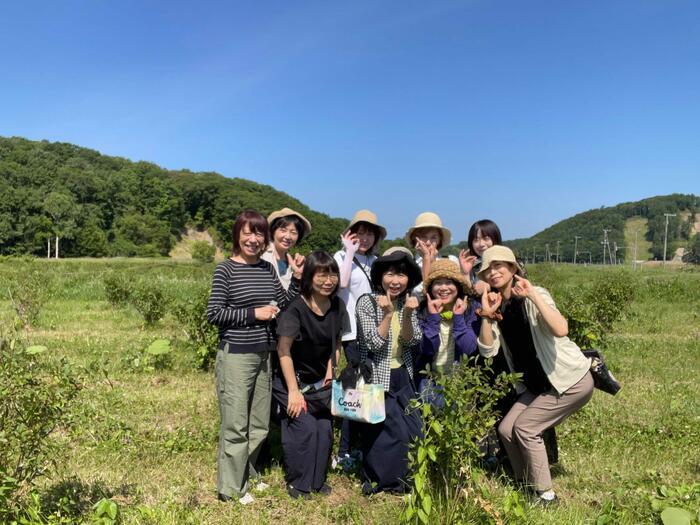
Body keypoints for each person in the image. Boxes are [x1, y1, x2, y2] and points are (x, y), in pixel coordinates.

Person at [476, 246, 593, 504]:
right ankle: (526, 484)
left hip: (568, 380)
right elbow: (487, 350)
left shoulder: (534, 294)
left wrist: (533, 297)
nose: (494, 272)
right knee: (507, 429)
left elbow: (561, 328)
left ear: (513, 268)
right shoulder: (498, 306)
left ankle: (546, 496)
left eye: (499, 265)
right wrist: (486, 314)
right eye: (488, 269)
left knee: (527, 428)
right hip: (538, 384)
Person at [207, 209, 305, 505]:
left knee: (259, 423)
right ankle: (230, 489)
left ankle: (246, 473)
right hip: (236, 355)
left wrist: (298, 280)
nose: (253, 239)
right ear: (237, 235)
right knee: (235, 423)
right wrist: (254, 314)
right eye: (247, 232)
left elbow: (283, 301)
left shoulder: (265, 269)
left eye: (258, 233)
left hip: (265, 354)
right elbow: (214, 313)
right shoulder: (225, 270)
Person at [273, 251, 349, 499]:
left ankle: (316, 480)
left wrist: (330, 372)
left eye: (333, 274)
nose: (329, 280)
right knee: (303, 426)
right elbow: (283, 350)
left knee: (324, 429)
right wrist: (293, 392)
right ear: (309, 277)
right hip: (290, 379)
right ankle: (298, 483)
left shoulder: (337, 306)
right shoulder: (296, 309)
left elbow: (336, 343)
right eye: (322, 274)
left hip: (320, 379)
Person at [355, 246, 423, 494]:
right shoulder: (367, 302)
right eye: (390, 274)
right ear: (380, 276)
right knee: (383, 432)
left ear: (409, 279)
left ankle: (405, 478)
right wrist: (386, 314)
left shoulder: (409, 302)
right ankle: (381, 482)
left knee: (412, 428)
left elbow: (412, 340)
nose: (395, 281)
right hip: (376, 376)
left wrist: (405, 314)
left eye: (402, 275)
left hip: (402, 373)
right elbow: (374, 342)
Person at [333, 209, 386, 466]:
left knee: (371, 387)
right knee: (353, 387)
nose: (364, 238)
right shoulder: (341, 256)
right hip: (352, 332)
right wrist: (350, 252)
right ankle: (344, 451)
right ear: (352, 233)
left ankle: (365, 446)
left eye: (369, 233)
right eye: (360, 232)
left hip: (374, 332)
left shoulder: (376, 261)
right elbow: (341, 285)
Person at [415, 259, 480, 406]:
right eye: (438, 283)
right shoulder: (422, 311)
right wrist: (433, 318)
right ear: (431, 288)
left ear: (458, 286)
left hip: (460, 380)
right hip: (429, 379)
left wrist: (458, 317)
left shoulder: (470, 308)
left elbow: (468, 348)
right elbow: (426, 349)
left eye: (449, 282)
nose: (443, 288)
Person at [405, 212, 458, 298]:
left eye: (433, 237)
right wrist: (426, 258)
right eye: (423, 237)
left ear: (439, 240)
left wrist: (432, 261)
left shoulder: (451, 260)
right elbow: (420, 292)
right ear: (415, 239)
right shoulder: (408, 264)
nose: (428, 242)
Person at [262, 208, 312, 291]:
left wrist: (298, 273)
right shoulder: (261, 254)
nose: (288, 236)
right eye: (283, 230)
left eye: (293, 232)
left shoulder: (292, 262)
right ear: (273, 231)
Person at [458, 219, 503, 296]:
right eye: (476, 240)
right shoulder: (472, 266)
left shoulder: (507, 261)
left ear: (495, 238)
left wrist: (490, 286)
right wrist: (465, 273)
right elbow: (467, 295)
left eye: (486, 238)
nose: (481, 244)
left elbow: (515, 286)